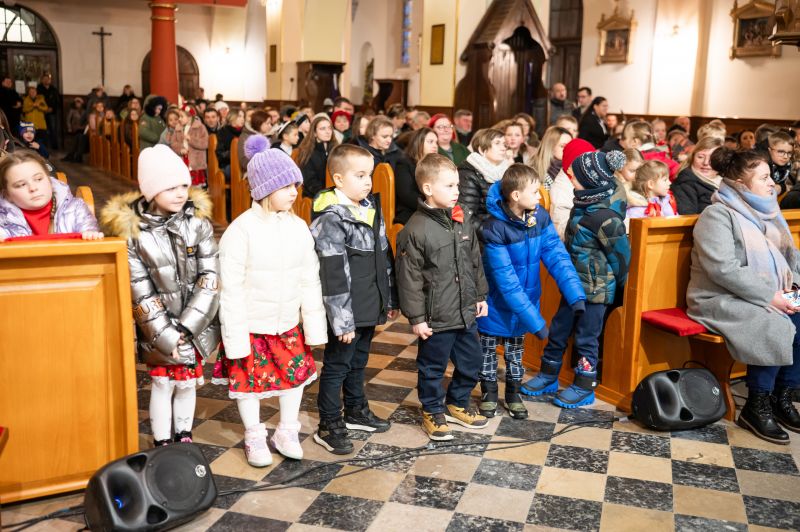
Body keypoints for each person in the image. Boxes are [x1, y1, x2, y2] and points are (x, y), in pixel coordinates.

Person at [100, 145, 219, 446]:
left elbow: (210, 278)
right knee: (162, 384)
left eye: (183, 186)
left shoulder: (198, 224)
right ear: (151, 191)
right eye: (170, 187)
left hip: (194, 326)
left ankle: (184, 436)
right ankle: (162, 440)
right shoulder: (133, 234)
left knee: (188, 385)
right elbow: (140, 292)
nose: (180, 194)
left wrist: (187, 327)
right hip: (156, 329)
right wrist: (167, 335)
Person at [217, 136, 325, 465]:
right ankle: (254, 435)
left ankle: (287, 430)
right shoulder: (241, 230)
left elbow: (309, 278)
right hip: (252, 324)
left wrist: (314, 327)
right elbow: (230, 289)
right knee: (248, 383)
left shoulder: (298, 227)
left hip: (287, 322)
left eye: (296, 185)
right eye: (286, 185)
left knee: (294, 379)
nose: (294, 192)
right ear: (265, 189)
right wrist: (235, 336)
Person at [687, 148, 800, 444]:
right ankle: (756, 405)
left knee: (799, 312)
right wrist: (770, 296)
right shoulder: (717, 215)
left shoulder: (769, 213)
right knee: (775, 321)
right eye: (763, 178)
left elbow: (790, 259)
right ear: (740, 183)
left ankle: (781, 397)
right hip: (718, 297)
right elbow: (723, 269)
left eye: (770, 176)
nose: (772, 183)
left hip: (768, 292)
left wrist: (794, 289)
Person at [522, 151, 629, 408]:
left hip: (596, 290)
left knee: (586, 337)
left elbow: (621, 258)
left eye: (577, 175)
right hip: (573, 285)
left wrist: (617, 286)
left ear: (590, 181)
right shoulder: (583, 203)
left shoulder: (606, 217)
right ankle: (548, 374)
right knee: (559, 329)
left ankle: (584, 384)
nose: (571, 176)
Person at [477, 164, 585, 419]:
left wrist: (576, 295)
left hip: (525, 304)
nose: (540, 196)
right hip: (495, 304)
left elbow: (557, 256)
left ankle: (513, 395)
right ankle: (489, 394)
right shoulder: (493, 229)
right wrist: (537, 323)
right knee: (488, 355)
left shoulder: (539, 217)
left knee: (515, 355)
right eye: (535, 192)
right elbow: (507, 283)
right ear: (516, 195)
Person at [309, 144, 398, 454]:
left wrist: (389, 298)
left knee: (359, 362)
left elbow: (384, 257)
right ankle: (329, 424)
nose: (367, 182)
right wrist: (342, 320)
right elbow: (332, 273)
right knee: (337, 365)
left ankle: (356, 410)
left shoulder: (370, 208)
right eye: (359, 175)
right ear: (338, 179)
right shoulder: (331, 218)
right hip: (345, 309)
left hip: (369, 302)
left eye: (369, 175)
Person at [396, 153, 490, 440]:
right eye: (449, 186)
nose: (456, 191)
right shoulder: (415, 229)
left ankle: (457, 402)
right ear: (428, 188)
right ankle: (432, 410)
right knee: (432, 368)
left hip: (465, 310)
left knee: (472, 361)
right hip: (436, 315)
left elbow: (474, 260)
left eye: (457, 185)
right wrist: (417, 318)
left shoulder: (462, 218)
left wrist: (480, 295)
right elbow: (409, 279)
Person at [0, 150, 101, 241]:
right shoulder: (3, 218)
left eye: (38, 179)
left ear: (49, 180)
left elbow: (88, 228)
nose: (33, 188)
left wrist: (90, 234)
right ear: (7, 194)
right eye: (21, 185)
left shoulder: (75, 208)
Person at [458, 128, 512, 236]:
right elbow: (465, 217)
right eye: (497, 143)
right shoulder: (468, 174)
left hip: (502, 229)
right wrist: (493, 233)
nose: (503, 148)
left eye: (504, 144)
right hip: (483, 236)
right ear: (482, 150)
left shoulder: (506, 172)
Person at [549, 138, 594, 241]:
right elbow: (562, 232)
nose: (593, 169)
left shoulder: (585, 182)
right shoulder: (561, 191)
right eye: (589, 164)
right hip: (578, 243)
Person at [394, 127, 437, 225]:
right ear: (419, 143)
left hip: (432, 211)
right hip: (411, 213)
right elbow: (407, 195)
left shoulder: (436, 166)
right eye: (430, 142)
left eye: (436, 142)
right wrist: (431, 206)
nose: (435, 145)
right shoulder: (404, 163)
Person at [672, 136, 723, 215]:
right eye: (700, 157)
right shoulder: (685, 183)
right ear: (693, 157)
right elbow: (687, 218)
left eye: (712, 158)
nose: (706, 162)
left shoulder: (727, 180)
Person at [297, 114, 338, 199]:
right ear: (314, 133)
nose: (328, 131)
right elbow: (310, 182)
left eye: (329, 128)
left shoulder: (336, 149)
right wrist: (328, 196)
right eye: (322, 129)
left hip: (336, 194)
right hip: (316, 198)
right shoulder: (307, 152)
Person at [761, 130, 795, 195]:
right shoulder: (762, 166)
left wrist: (781, 187)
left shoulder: (788, 165)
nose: (785, 156)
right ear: (770, 150)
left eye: (789, 153)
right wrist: (783, 187)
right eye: (781, 152)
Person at [36, 74, 59, 149]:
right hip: (41, 112)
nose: (46, 80)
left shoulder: (53, 89)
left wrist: (52, 108)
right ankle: (44, 146)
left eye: (47, 79)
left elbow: (57, 101)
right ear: (42, 80)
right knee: (43, 129)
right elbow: (37, 100)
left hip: (52, 112)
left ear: (50, 80)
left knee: (53, 129)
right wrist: (44, 109)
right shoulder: (38, 89)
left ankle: (54, 146)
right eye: (44, 79)